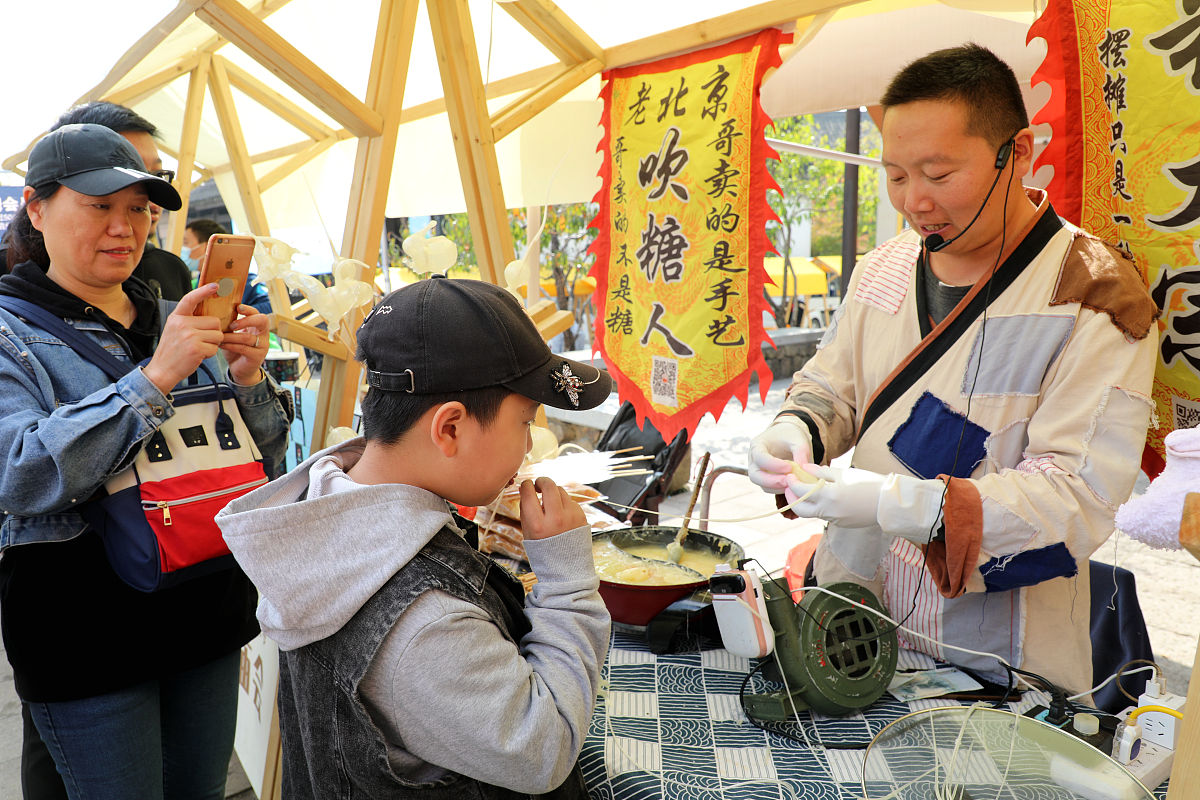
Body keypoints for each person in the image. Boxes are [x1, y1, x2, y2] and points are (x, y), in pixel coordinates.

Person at [747, 44, 1158, 696]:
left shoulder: (1096, 294)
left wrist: (899, 504)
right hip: (852, 619)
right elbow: (834, 385)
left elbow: (1078, 499)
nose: (915, 202)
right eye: (896, 175)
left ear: (1017, 152)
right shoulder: (884, 266)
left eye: (938, 174)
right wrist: (798, 429)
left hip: (992, 658)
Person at [218, 277, 613, 798]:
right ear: (449, 428)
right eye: (524, 422)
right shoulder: (427, 622)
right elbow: (543, 748)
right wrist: (566, 585)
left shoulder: (325, 513)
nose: (526, 447)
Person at [0, 123, 293, 799]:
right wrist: (152, 380)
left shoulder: (177, 318)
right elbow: (20, 474)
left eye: (138, 209)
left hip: (204, 611)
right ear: (38, 210)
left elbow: (260, 462)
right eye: (99, 206)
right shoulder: (12, 333)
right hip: (85, 637)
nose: (123, 227)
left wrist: (247, 381)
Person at [52, 102, 194, 301]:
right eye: (102, 205)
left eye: (155, 175)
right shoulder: (11, 285)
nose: (149, 200)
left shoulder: (170, 270)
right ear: (37, 210)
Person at [184, 217, 273, 314]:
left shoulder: (246, 281)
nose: (182, 249)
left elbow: (271, 306)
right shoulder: (194, 284)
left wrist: (235, 316)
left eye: (185, 243)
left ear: (206, 247)